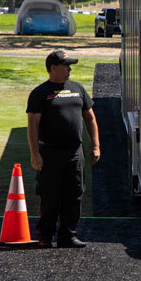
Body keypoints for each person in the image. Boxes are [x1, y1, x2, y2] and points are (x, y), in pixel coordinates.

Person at [27, 50, 100, 248]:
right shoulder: (40, 93)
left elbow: (90, 118)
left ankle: (68, 235)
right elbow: (32, 125)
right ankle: (46, 236)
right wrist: (35, 154)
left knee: (74, 194)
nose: (69, 69)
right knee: (50, 196)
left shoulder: (77, 89)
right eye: (66, 65)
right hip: (50, 153)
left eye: (70, 65)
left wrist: (95, 146)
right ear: (53, 68)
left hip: (75, 152)